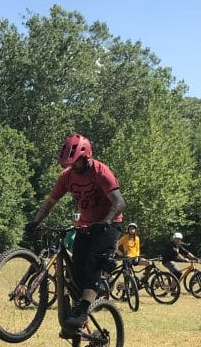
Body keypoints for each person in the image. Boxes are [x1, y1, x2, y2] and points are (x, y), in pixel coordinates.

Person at [24, 133, 126, 333]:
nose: (71, 167)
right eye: (68, 163)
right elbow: (50, 202)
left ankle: (83, 310)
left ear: (86, 157)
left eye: (75, 162)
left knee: (93, 265)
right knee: (75, 272)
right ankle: (77, 313)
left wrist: (105, 221)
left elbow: (120, 202)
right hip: (85, 226)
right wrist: (36, 221)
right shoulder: (66, 177)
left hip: (109, 224)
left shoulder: (100, 171)